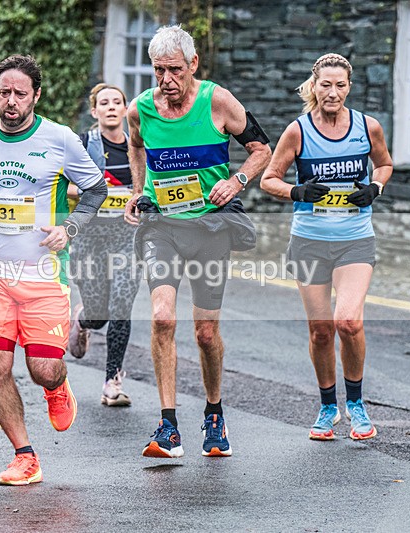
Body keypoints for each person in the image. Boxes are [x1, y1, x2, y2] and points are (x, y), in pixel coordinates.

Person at [0, 55, 108, 485]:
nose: (10, 102)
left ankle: (56, 387)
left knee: (42, 368)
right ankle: (24, 455)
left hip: (44, 275)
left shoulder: (60, 138)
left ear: (36, 96)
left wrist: (69, 227)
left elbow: (96, 188)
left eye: (19, 94)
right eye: (4, 93)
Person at [123, 26, 271, 458]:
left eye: (174, 70)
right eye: (158, 71)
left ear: (193, 65)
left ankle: (213, 412)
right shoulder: (141, 110)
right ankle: (168, 427)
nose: (166, 80)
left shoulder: (217, 101)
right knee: (163, 319)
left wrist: (237, 180)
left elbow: (261, 149)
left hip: (210, 229)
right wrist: (138, 191)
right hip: (162, 228)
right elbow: (135, 148)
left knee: (206, 333)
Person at [259, 53, 393, 441]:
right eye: (325, 84)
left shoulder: (368, 127)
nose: (332, 92)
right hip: (310, 242)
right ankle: (328, 407)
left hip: (355, 240)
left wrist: (375, 187)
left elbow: (384, 165)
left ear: (349, 87)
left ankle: (356, 404)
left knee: (348, 321)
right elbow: (269, 179)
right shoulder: (298, 132)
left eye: (340, 85)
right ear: (314, 86)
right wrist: (296, 191)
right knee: (320, 331)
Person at [67, 83, 141, 407]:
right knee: (100, 314)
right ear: (94, 111)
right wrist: (101, 194)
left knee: (122, 305)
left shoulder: (138, 147)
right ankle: (84, 320)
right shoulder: (83, 145)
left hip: (127, 237)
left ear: (125, 109)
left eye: (117, 102)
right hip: (90, 238)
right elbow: (65, 186)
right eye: (104, 103)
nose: (111, 107)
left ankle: (113, 381)